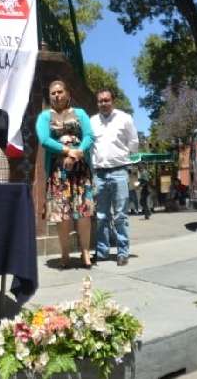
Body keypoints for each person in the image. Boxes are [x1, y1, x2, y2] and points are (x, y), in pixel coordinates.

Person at [35, 78, 94, 269]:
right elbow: (44, 140)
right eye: (53, 93)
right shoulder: (44, 117)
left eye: (60, 92)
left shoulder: (80, 113)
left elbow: (89, 136)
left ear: (68, 94)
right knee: (63, 215)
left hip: (80, 172)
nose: (57, 95)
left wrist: (77, 154)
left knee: (84, 213)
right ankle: (65, 254)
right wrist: (68, 151)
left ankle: (85, 252)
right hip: (58, 172)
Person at [90, 88, 138, 267]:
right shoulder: (92, 121)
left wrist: (124, 156)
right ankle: (102, 252)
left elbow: (133, 143)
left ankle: (122, 252)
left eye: (106, 100)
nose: (103, 104)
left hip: (119, 172)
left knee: (120, 216)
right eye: (100, 101)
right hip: (99, 174)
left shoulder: (125, 118)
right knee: (101, 216)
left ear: (113, 101)